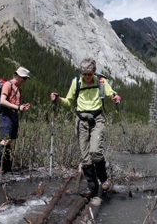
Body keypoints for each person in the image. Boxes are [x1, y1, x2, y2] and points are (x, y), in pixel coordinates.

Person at [50, 58, 121, 197]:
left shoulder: (101, 82)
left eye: (89, 74)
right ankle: (92, 186)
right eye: (84, 74)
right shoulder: (76, 82)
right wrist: (58, 99)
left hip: (97, 119)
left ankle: (104, 180)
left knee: (95, 151)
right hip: (81, 120)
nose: (87, 77)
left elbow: (111, 94)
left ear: (94, 72)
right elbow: (68, 102)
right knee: (85, 157)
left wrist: (115, 98)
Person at [0, 66, 31, 174]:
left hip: (14, 115)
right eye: (24, 78)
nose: (25, 81)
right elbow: (2, 101)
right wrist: (18, 108)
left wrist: (22, 107)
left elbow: (15, 103)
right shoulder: (7, 85)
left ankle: (7, 166)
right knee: (5, 140)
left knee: (9, 141)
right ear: (18, 76)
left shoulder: (17, 88)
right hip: (6, 115)